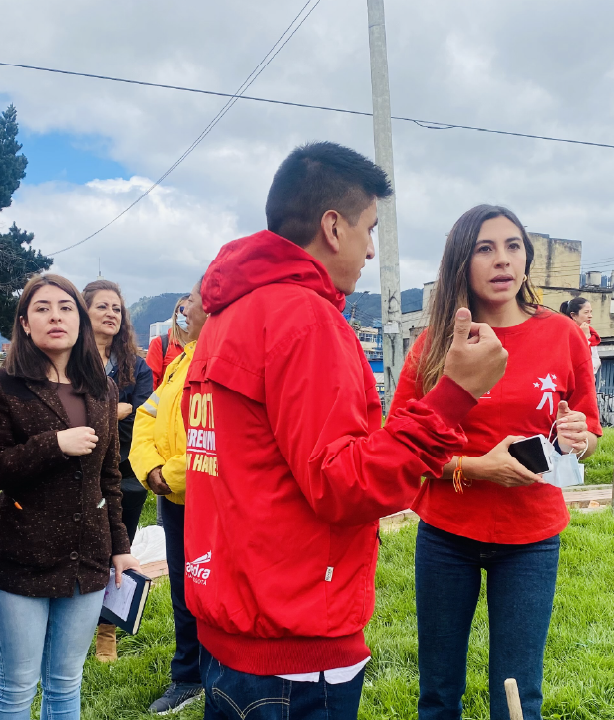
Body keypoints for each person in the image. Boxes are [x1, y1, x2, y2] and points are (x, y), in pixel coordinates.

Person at [182, 142, 507, 720]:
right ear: (333, 226)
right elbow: (346, 485)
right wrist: (455, 395)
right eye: (369, 228)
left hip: (233, 624)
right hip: (296, 646)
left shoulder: (227, 318)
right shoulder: (305, 319)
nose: (371, 249)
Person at [390, 205, 601, 720]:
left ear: (526, 259)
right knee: (438, 691)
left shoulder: (563, 335)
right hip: (446, 536)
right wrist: (477, 467)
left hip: (530, 540)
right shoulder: (436, 343)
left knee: (519, 693)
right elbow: (399, 446)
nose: (502, 260)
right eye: (485, 248)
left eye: (513, 246)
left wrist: (580, 436)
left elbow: (590, 431)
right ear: (462, 261)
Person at [0, 273, 140, 720]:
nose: (55, 316)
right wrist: (53, 445)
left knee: (67, 682)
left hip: (86, 559)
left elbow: (109, 475)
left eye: (66, 307)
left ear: (80, 322)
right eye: (42, 308)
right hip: (20, 557)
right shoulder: (0, 385)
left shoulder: (101, 389)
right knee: (16, 685)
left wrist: (120, 548)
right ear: (25, 324)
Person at [129, 277, 208, 715]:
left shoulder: (220, 362)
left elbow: (214, 437)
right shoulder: (180, 363)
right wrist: (151, 470)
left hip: (205, 497)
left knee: (210, 588)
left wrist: (171, 473)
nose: (183, 312)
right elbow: (147, 416)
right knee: (182, 590)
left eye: (189, 304)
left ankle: (216, 672)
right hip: (172, 496)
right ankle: (189, 675)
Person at [82, 278, 155, 662]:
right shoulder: (68, 359)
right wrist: (115, 409)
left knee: (117, 549)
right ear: (84, 311)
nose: (111, 314)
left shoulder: (136, 367)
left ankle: (106, 633)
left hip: (125, 472)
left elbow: (141, 414)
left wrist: (97, 412)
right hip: (76, 469)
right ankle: (71, 625)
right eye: (102, 307)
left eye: (116, 309)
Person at [145, 294, 192, 381]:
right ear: (176, 313)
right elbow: (150, 382)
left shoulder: (204, 346)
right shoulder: (160, 344)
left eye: (191, 310)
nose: (186, 313)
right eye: (182, 309)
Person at [559, 297, 600, 375]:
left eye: (591, 312)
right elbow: (576, 361)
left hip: (588, 380)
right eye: (586, 312)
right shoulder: (565, 334)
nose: (590, 316)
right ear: (573, 315)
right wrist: (583, 338)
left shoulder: (590, 334)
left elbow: (595, 363)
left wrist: (586, 337)